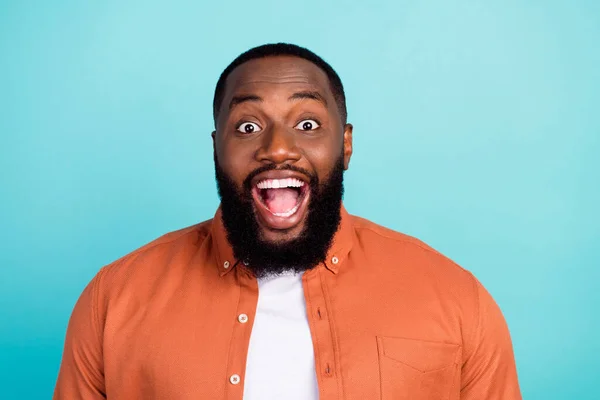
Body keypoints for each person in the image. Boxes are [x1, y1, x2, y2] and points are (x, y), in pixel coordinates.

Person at [53, 43, 522, 400]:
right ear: (216, 148)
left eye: (308, 124)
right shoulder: (113, 300)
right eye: (249, 127)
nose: (277, 148)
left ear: (347, 145)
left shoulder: (456, 300)